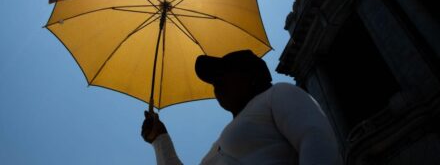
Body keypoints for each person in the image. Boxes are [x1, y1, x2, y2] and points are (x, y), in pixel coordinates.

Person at [142, 50, 341, 164]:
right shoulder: (218, 145)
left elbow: (315, 137)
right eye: (213, 81)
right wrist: (160, 138)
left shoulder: (278, 94)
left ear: (250, 76)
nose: (216, 84)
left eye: (223, 74)